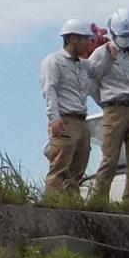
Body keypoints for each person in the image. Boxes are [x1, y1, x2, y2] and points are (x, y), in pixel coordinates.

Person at [87, 8, 129, 205]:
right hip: (113, 109)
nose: (126, 39)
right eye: (123, 35)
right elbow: (91, 83)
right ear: (112, 33)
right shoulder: (99, 54)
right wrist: (105, 104)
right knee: (110, 159)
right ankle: (98, 200)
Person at [40, 19, 94, 196]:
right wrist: (54, 118)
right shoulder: (53, 61)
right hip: (64, 119)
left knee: (77, 169)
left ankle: (71, 204)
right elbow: (50, 90)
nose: (89, 43)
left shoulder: (82, 65)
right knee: (60, 167)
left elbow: (101, 67)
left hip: (80, 119)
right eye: (86, 39)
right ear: (73, 39)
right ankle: (53, 205)